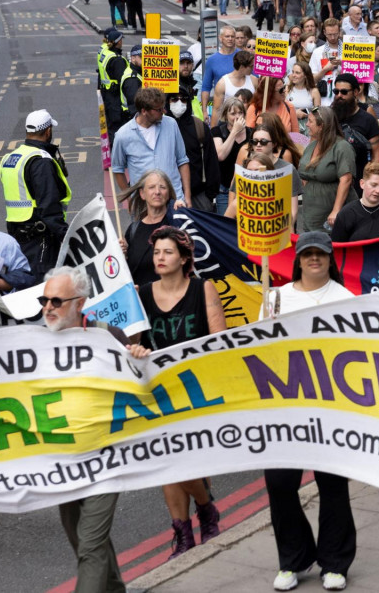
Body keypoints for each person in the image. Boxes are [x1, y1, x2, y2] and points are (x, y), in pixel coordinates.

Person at [263, 231, 356, 592]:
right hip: (285, 408)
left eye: (320, 254)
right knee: (280, 483)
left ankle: (335, 563)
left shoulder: (345, 299)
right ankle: (294, 558)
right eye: (307, 254)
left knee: (332, 484)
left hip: (331, 406)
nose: (313, 259)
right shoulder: (275, 298)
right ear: (298, 259)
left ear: (330, 259)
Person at [137, 227, 224, 557]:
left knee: (189, 462)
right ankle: (186, 531)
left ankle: (204, 509)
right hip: (159, 392)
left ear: (184, 258)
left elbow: (218, 341)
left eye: (168, 252)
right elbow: (137, 343)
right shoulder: (143, 294)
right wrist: (136, 350)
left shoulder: (203, 289)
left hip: (197, 390)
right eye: (157, 252)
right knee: (166, 463)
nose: (160, 257)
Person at [46, 267, 128, 593]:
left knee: (90, 545)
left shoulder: (108, 336)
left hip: (104, 458)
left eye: (56, 300)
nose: (48, 307)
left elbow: (140, 385)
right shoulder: (34, 344)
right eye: (44, 300)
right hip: (63, 459)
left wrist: (137, 358)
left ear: (79, 303)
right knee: (80, 535)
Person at [0, 110, 71, 280]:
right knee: (40, 286)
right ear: (48, 132)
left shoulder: (10, 158)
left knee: (22, 280)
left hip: (16, 236)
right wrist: (66, 236)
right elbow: (49, 206)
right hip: (40, 237)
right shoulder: (41, 161)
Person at [298, 107, 358, 232]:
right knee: (312, 245)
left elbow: (346, 179)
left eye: (310, 121)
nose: (307, 124)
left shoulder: (341, 147)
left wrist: (336, 210)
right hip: (312, 211)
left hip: (331, 214)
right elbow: (304, 172)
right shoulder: (312, 145)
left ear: (322, 126)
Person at [224, 131, 303, 225]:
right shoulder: (238, 204)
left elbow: (289, 228)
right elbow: (225, 226)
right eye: (250, 171)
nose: (253, 175)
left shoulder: (278, 205)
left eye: (257, 170)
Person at [167, 84, 220, 211]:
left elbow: (211, 161)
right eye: (174, 99)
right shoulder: (160, 128)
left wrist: (209, 196)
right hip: (167, 196)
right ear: (167, 101)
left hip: (198, 195)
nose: (179, 102)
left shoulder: (199, 127)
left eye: (183, 99)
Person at [118, 169, 175, 286]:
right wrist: (121, 253)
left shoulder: (176, 223)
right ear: (142, 194)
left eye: (162, 187)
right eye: (151, 187)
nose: (157, 192)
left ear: (168, 193)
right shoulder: (133, 229)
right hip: (141, 300)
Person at [331, 162, 379, 242]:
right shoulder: (346, 214)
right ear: (362, 184)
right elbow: (336, 248)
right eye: (373, 185)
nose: (378, 191)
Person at [333, 73, 379, 192]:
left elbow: (376, 154)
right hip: (332, 181)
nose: (339, 95)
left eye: (344, 92)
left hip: (358, 182)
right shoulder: (330, 116)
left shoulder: (368, 119)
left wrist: (370, 181)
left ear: (356, 92)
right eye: (336, 92)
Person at [213, 98, 251, 215]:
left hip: (247, 188)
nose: (237, 117)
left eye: (240, 113)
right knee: (225, 226)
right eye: (233, 113)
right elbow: (220, 155)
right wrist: (234, 132)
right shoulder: (217, 131)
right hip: (224, 189)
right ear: (225, 115)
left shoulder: (252, 133)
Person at [211, 51, 257, 130]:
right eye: (251, 66)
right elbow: (216, 110)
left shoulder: (254, 80)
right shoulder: (223, 83)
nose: (253, 68)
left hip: (249, 126)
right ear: (242, 67)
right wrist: (213, 132)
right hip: (229, 127)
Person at [202, 26, 240, 120]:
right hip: (221, 110)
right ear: (220, 38)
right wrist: (204, 111)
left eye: (232, 36)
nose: (230, 39)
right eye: (227, 36)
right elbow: (206, 87)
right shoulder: (212, 60)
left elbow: (254, 79)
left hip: (241, 109)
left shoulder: (242, 56)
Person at [97, 27, 129, 133]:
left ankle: (110, 147)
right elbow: (123, 80)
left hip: (107, 93)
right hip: (115, 97)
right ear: (118, 41)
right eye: (121, 40)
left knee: (111, 124)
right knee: (116, 126)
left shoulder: (107, 53)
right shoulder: (117, 60)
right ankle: (114, 148)